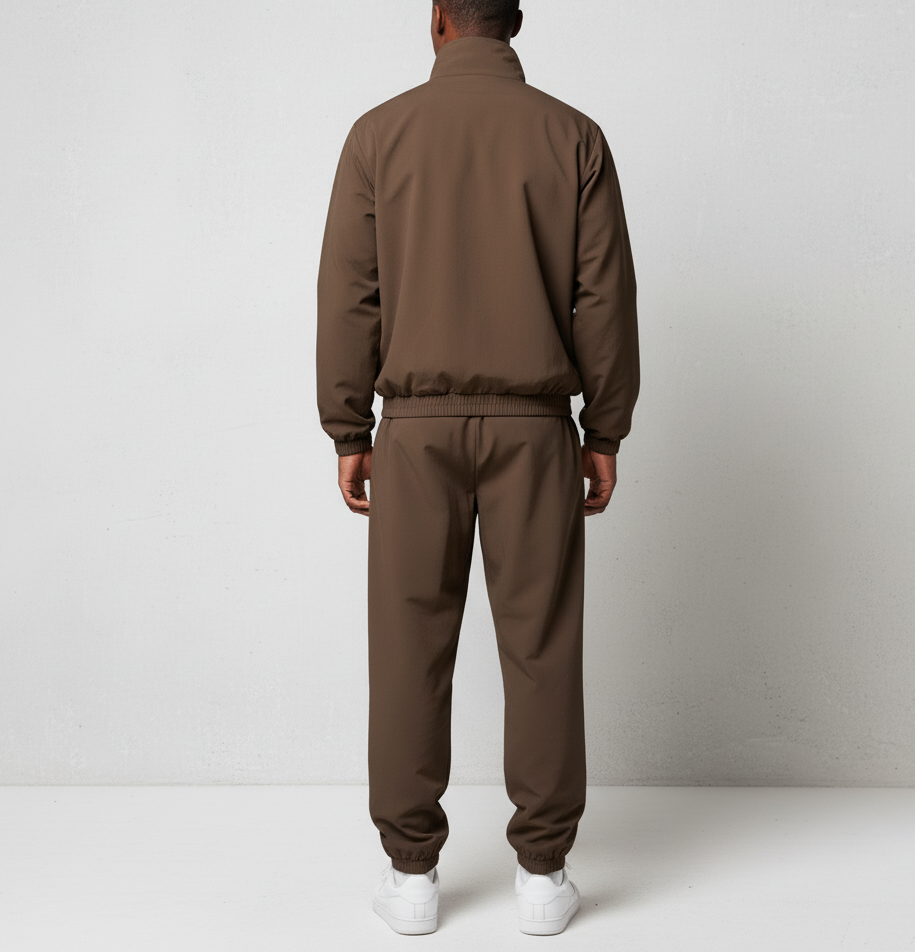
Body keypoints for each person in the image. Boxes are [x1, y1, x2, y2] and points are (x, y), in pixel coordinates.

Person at [316, 0, 639, 936]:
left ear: (438, 21)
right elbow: (603, 295)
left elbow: (352, 293)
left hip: (414, 433)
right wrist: (605, 429)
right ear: (515, 22)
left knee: (408, 649)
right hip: (535, 431)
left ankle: (411, 875)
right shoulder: (575, 138)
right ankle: (543, 876)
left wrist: (347, 427)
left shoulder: (378, 136)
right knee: (541, 650)